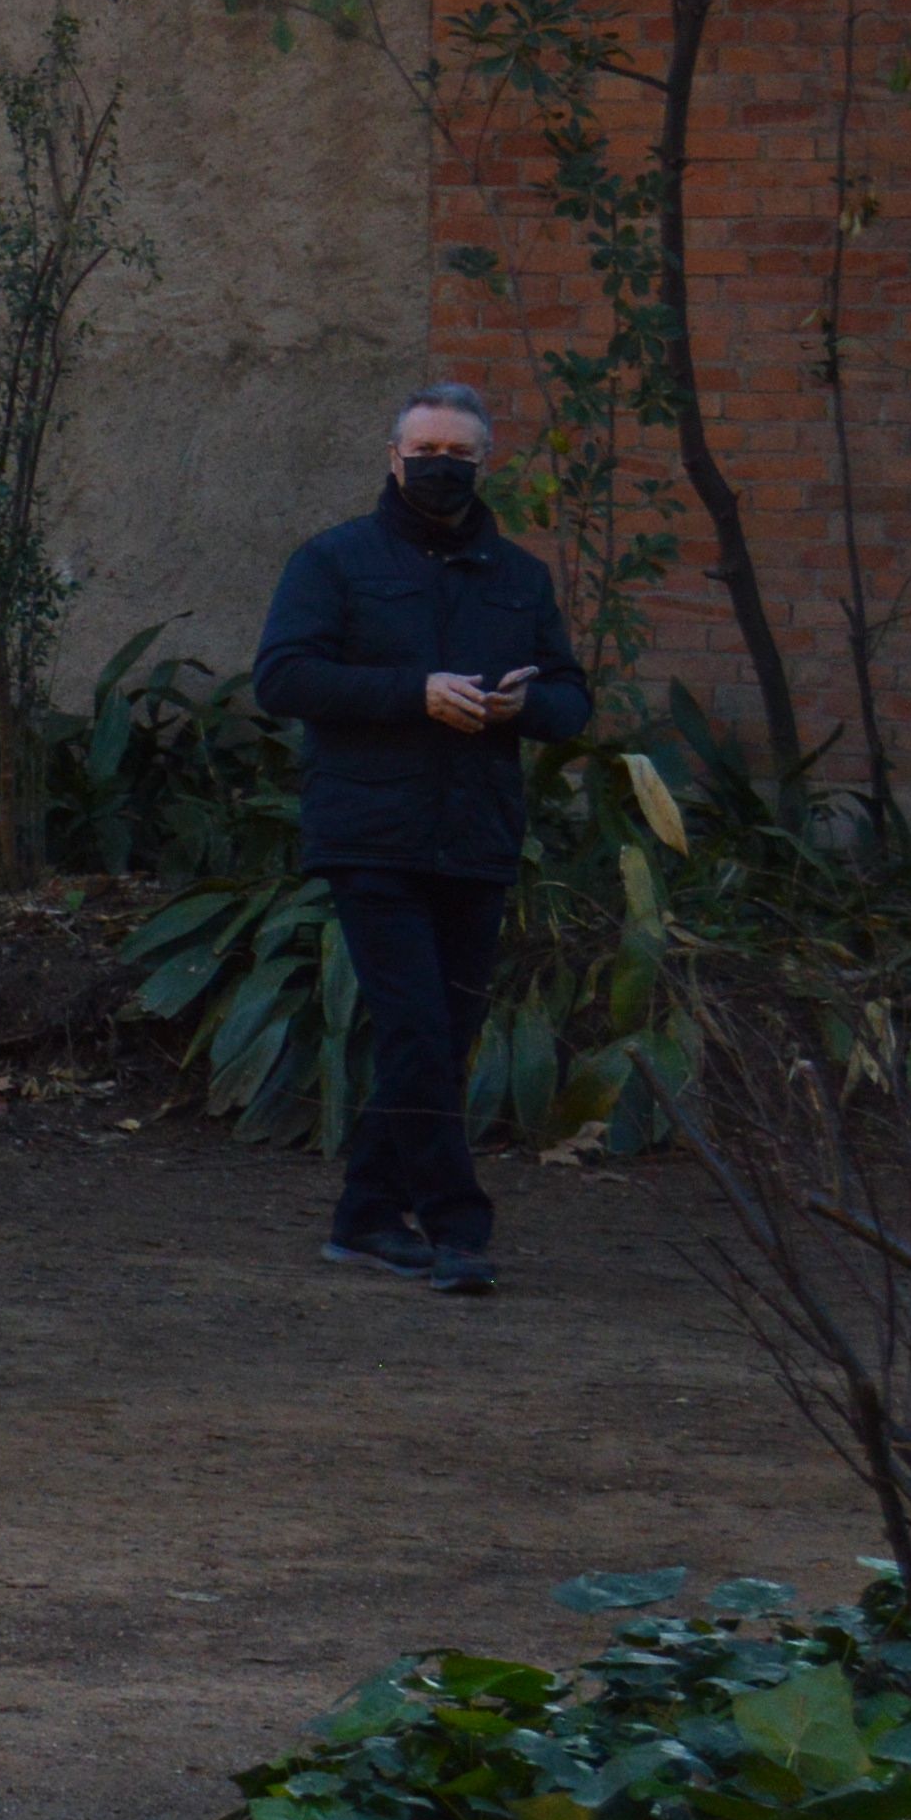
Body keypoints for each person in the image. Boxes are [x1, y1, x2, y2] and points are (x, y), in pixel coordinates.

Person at [252, 385, 591, 1299]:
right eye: (426, 447)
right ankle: (458, 1227)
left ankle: (364, 1218)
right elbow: (283, 678)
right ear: (394, 456)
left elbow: (572, 702)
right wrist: (415, 693)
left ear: (485, 463)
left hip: (476, 837)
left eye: (461, 452)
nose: (442, 464)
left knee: (443, 1036)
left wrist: (525, 708)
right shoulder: (333, 562)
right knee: (414, 1025)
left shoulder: (518, 576)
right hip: (370, 835)